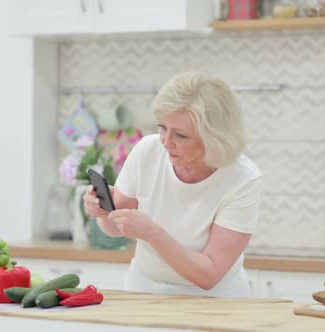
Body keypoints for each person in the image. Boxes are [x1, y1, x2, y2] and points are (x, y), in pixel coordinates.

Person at [83, 71, 261, 298]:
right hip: (144, 291)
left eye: (181, 135)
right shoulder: (147, 151)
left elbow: (209, 274)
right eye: (162, 127)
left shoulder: (241, 178)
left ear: (214, 138)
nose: (166, 142)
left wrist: (151, 233)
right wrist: (101, 211)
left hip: (217, 300)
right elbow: (114, 228)